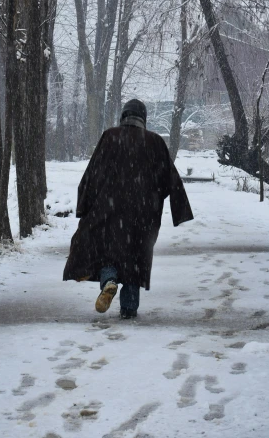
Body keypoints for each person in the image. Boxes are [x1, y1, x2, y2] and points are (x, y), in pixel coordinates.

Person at [63, 99, 193, 318]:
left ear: (123, 116)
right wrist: (175, 207)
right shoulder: (155, 142)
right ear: (144, 119)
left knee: (108, 253)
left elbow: (91, 175)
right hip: (144, 215)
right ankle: (129, 309)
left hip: (109, 210)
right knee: (135, 259)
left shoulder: (110, 137)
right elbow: (171, 180)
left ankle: (110, 280)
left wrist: (84, 206)